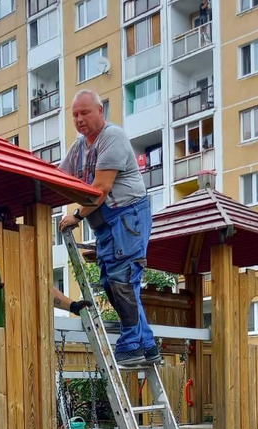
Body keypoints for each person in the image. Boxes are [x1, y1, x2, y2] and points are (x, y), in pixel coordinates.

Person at [57, 89, 159, 367]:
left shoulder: (112, 137)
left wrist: (76, 216)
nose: (79, 119)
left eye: (85, 112)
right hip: (106, 224)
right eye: (75, 115)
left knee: (122, 280)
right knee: (111, 282)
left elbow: (101, 188)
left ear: (100, 111)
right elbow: (59, 176)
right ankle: (146, 345)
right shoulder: (79, 148)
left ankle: (131, 346)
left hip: (127, 216)